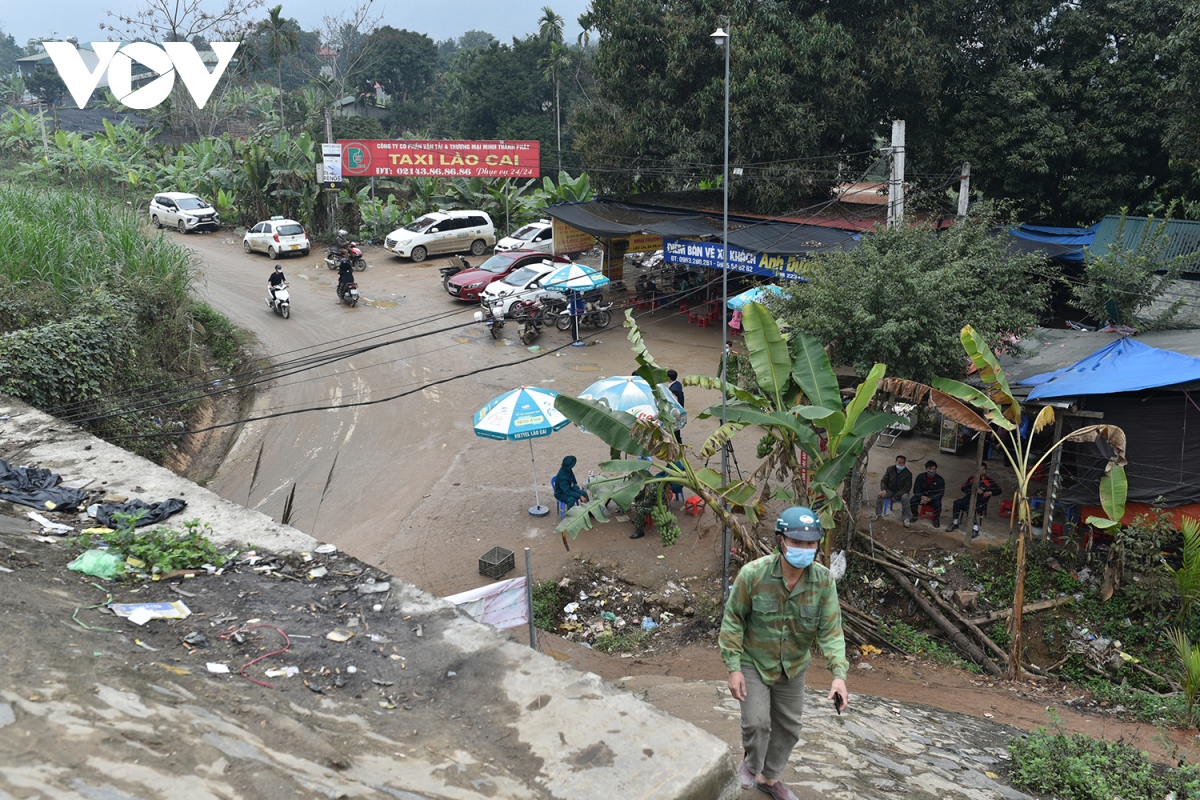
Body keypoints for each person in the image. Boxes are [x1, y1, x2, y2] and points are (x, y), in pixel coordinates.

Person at [720, 506, 849, 800]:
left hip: (793, 665)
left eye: (811, 543)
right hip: (754, 661)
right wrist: (733, 667)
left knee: (789, 728)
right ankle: (752, 764)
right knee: (757, 722)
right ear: (780, 540)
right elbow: (733, 621)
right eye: (797, 542)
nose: (805, 549)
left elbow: (831, 632)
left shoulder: (823, 581)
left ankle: (769, 778)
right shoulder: (753, 574)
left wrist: (839, 676)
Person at [948, 461, 1002, 533]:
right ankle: (955, 523)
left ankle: (975, 528)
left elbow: (999, 490)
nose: (982, 471)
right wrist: (974, 489)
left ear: (986, 470)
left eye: (983, 469)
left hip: (980, 502)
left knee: (969, 507)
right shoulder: (972, 479)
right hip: (967, 499)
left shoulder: (990, 481)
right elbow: (963, 488)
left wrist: (990, 492)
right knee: (957, 502)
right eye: (980, 469)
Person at [908, 460, 946, 528]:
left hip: (933, 499)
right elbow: (916, 490)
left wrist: (930, 499)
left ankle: (936, 519)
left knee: (938, 504)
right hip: (922, 498)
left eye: (934, 469)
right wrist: (921, 497)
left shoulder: (940, 480)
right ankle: (915, 515)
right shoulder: (920, 477)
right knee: (913, 500)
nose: (932, 471)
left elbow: (940, 494)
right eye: (930, 469)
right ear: (926, 469)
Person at [874, 455, 912, 521]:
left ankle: (906, 518)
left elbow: (906, 488)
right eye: (899, 462)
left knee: (906, 498)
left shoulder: (908, 474)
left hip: (901, 492)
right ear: (895, 462)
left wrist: (895, 496)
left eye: (903, 463)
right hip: (891, 490)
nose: (901, 464)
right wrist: (884, 490)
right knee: (880, 495)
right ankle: (878, 514)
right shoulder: (890, 469)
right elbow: (884, 481)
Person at [666, 369, 684, 444]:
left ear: (669, 378)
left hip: (675, 411)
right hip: (679, 409)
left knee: (674, 428)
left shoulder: (673, 390)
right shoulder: (678, 384)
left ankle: (678, 442)